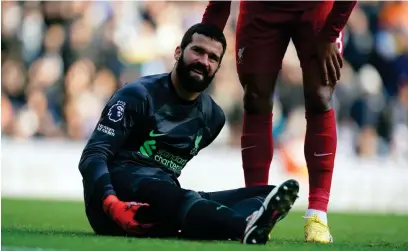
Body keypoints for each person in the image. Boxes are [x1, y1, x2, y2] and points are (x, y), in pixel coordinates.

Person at [78, 23, 300, 244]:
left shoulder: (213, 118)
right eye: (198, 51)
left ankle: (218, 220)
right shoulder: (138, 95)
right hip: (116, 199)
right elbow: (93, 155)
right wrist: (110, 202)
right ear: (178, 52)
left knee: (265, 195)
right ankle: (244, 227)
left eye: (213, 58)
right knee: (181, 198)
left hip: (166, 196)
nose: (204, 62)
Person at [201, 1, 357, 243]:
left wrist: (330, 33)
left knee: (320, 96)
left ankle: (317, 213)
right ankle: (255, 209)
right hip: (261, 8)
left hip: (316, 8)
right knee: (255, 99)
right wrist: (208, 35)